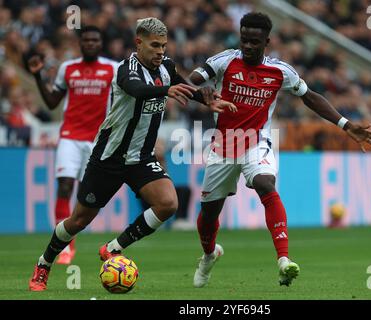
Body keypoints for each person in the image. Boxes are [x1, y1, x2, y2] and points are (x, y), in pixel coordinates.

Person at [28, 17, 236, 292]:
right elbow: (136, 90)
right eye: (154, 45)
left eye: (163, 45)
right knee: (78, 220)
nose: (160, 51)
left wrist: (207, 99)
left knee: (167, 204)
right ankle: (44, 264)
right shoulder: (126, 69)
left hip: (141, 157)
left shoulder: (167, 66)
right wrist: (166, 90)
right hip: (109, 157)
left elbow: (184, 87)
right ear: (139, 42)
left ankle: (113, 248)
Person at [188, 12, 371, 287]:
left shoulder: (280, 71)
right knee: (208, 214)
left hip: (257, 141)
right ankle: (209, 255)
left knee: (265, 184)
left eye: (254, 41)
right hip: (224, 145)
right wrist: (200, 92)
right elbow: (193, 77)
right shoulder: (225, 60)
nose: (248, 46)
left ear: (267, 41)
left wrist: (346, 124)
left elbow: (310, 97)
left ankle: (283, 261)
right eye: (244, 40)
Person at [27, 26, 118, 264]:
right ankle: (66, 247)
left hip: (99, 140)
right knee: (65, 186)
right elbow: (51, 102)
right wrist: (37, 76)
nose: (90, 43)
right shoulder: (68, 69)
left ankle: (70, 234)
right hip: (70, 136)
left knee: (86, 194)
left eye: (94, 40)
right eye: (86, 40)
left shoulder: (113, 69)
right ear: (80, 43)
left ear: (101, 43)